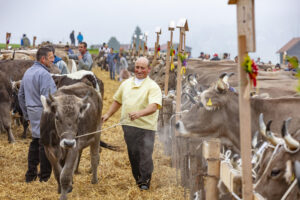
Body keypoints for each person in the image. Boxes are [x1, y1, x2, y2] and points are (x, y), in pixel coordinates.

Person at [102, 57, 162, 190]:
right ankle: (138, 179)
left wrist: (139, 113)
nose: (139, 70)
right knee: (133, 154)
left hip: (146, 127)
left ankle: (145, 182)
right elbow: (117, 101)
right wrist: (107, 114)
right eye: (137, 67)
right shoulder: (126, 84)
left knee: (145, 154)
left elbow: (154, 106)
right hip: (128, 125)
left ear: (148, 69)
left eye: (142, 68)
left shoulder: (153, 86)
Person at [18, 47, 57, 183]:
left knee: (35, 141)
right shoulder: (44, 75)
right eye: (51, 57)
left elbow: (20, 95)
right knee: (45, 144)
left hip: (31, 111)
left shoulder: (27, 72)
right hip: (43, 112)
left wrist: (27, 115)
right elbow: (48, 98)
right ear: (43, 59)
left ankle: (30, 175)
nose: (53, 60)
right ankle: (44, 178)